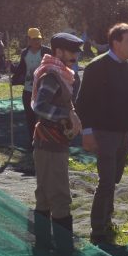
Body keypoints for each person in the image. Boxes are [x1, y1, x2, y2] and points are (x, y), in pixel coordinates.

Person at [75, 23, 128, 244]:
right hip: (104, 133)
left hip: (124, 132)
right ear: (115, 42)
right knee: (107, 181)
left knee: (114, 179)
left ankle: (107, 220)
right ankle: (98, 231)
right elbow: (83, 103)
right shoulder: (96, 67)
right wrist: (87, 133)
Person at [31, 32, 84, 242]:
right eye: (72, 52)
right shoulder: (52, 75)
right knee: (59, 197)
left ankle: (42, 245)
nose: (76, 56)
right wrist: (67, 115)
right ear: (58, 52)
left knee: (44, 195)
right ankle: (63, 250)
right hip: (49, 142)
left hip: (52, 142)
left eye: (77, 52)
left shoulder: (63, 74)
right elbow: (40, 107)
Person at [11, 28, 51, 149]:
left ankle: (44, 141)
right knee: (30, 117)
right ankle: (33, 141)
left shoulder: (47, 51)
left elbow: (52, 68)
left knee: (43, 117)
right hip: (28, 90)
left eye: (38, 39)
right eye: (34, 39)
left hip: (43, 90)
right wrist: (11, 69)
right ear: (28, 39)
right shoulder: (25, 53)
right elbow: (21, 69)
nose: (37, 41)